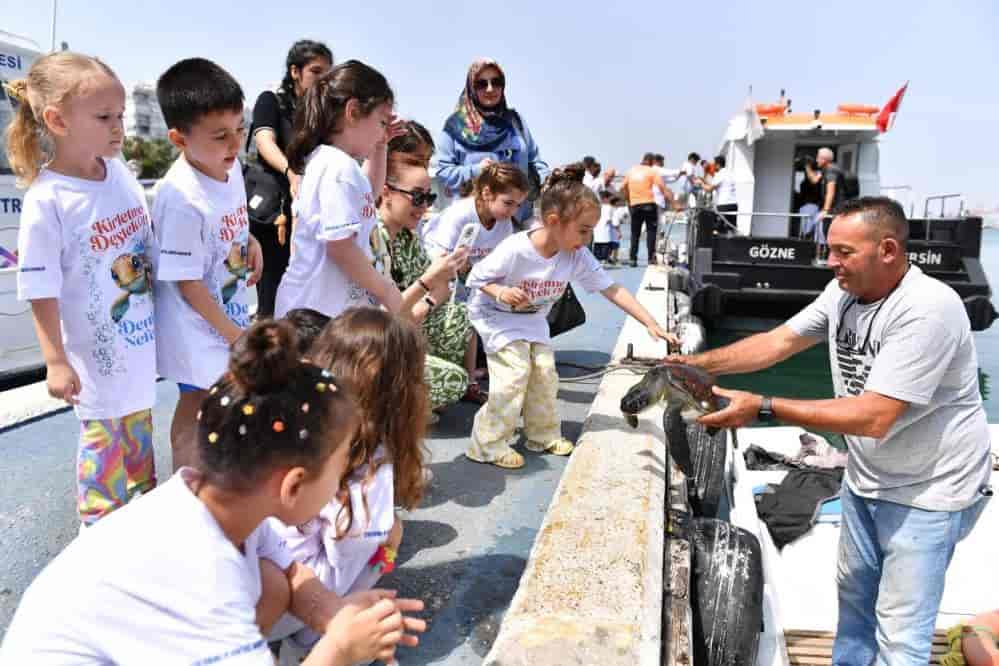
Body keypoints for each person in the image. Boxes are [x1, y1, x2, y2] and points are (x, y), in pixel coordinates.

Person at [676, 197, 992, 664]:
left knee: (901, 630)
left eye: (843, 251)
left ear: (887, 249)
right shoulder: (842, 292)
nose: (830, 262)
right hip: (867, 477)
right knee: (855, 603)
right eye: (830, 249)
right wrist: (692, 365)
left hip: (931, 488)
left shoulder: (927, 309)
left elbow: (875, 416)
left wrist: (763, 407)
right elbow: (779, 342)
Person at [0, 320, 427, 665]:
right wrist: (338, 652)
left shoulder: (206, 501)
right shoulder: (206, 577)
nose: (341, 486)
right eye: (338, 471)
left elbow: (293, 570)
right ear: (293, 485)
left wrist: (333, 615)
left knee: (275, 586)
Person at [6, 53, 159, 526]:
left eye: (120, 116)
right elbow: (39, 286)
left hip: (139, 361)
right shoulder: (47, 200)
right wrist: (54, 359)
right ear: (57, 120)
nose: (118, 128)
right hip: (96, 370)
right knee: (103, 489)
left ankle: (142, 552)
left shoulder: (121, 174)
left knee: (143, 481)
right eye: (103, 118)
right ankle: (98, 564)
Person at [464, 164, 675, 469]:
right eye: (584, 230)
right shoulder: (515, 249)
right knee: (513, 374)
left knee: (545, 373)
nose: (588, 239)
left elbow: (612, 289)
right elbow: (476, 278)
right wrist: (500, 292)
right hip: (495, 315)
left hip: (531, 319)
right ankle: (486, 443)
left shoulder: (575, 254)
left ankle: (541, 434)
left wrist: (650, 322)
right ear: (553, 221)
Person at [268, 308, 428, 653]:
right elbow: (342, 564)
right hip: (288, 604)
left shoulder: (293, 409)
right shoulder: (370, 463)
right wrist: (387, 550)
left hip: (252, 578)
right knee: (391, 533)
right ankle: (319, 641)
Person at [273, 61, 462, 322]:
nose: (384, 131)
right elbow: (339, 246)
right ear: (352, 112)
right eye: (382, 122)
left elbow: (367, 197)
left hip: (327, 314)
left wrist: (380, 147)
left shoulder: (339, 164)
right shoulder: (336, 167)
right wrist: (385, 288)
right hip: (312, 315)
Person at [151, 58, 263, 471]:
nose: (235, 143)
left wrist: (250, 241)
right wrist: (233, 333)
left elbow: (230, 223)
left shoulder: (227, 167)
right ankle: (186, 488)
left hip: (225, 317)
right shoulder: (180, 198)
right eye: (220, 136)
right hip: (195, 327)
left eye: (240, 128)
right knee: (196, 405)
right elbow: (187, 285)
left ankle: (213, 480)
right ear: (180, 140)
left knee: (222, 404)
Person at [374, 131, 482, 409]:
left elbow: (442, 289)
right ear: (386, 192)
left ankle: (413, 390)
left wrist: (422, 306)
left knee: (460, 316)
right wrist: (427, 284)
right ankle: (388, 403)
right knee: (453, 382)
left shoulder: (408, 237)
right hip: (376, 342)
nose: (423, 207)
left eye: (428, 198)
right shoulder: (372, 238)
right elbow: (382, 318)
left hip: (405, 326)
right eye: (416, 197)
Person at [250, 39, 333, 317]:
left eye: (328, 75)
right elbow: (264, 141)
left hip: (311, 211)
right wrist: (291, 172)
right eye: (316, 72)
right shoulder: (270, 101)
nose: (324, 81)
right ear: (295, 71)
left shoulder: (322, 116)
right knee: (271, 293)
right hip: (276, 214)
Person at [432, 58, 549, 224]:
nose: (490, 89)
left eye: (496, 82)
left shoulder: (515, 122)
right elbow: (443, 172)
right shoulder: (456, 126)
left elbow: (536, 163)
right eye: (481, 84)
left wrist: (548, 183)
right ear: (471, 87)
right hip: (476, 224)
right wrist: (476, 170)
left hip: (518, 220)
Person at [425, 161, 528, 269]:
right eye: (508, 203)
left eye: (518, 205)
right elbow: (441, 261)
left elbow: (500, 263)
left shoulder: (505, 222)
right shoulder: (459, 214)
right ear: (487, 193)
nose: (513, 211)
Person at [619, 152, 670, 266]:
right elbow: (662, 188)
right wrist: (674, 202)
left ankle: (632, 259)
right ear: (651, 162)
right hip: (649, 205)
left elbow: (622, 187)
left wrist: (628, 199)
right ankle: (650, 259)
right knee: (651, 232)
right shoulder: (652, 172)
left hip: (635, 206)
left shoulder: (631, 171)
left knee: (635, 233)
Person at [701, 154, 738, 234]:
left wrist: (701, 184)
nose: (713, 167)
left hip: (724, 205)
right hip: (733, 205)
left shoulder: (720, 174)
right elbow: (714, 185)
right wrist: (704, 182)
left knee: (717, 229)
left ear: (718, 165)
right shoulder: (729, 173)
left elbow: (709, 189)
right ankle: (732, 243)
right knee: (731, 228)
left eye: (714, 165)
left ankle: (719, 245)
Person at [592, 189, 614, 262]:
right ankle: (604, 259)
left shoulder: (597, 206)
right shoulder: (609, 207)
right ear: (606, 198)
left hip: (597, 229)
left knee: (597, 245)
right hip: (605, 229)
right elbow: (609, 219)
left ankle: (597, 259)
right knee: (605, 245)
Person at [609, 196, 627, 264]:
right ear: (616, 202)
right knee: (615, 245)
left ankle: (611, 258)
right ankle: (614, 259)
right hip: (614, 230)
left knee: (612, 245)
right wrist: (619, 232)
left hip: (610, 230)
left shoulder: (613, 209)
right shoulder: (615, 210)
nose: (620, 203)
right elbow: (616, 222)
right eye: (619, 202)